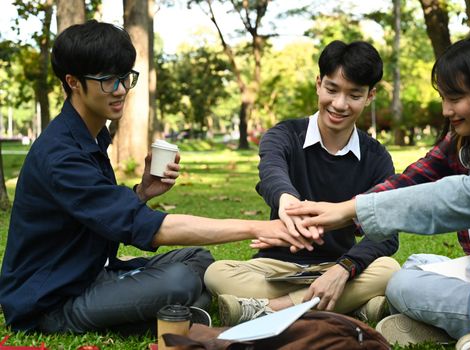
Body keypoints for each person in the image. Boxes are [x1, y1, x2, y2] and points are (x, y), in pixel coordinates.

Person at [0, 20, 308, 334]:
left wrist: (141, 192)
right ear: (74, 82)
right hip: (51, 303)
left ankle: (175, 315)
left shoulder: (90, 136)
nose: (120, 90)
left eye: (124, 78)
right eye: (107, 80)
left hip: (90, 274)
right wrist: (259, 227)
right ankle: (175, 317)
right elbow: (150, 228)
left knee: (198, 259)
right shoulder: (61, 154)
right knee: (180, 280)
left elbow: (99, 212)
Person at [285, 35, 470, 350]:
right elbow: (435, 194)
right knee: (410, 270)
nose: (445, 110)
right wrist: (348, 210)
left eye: (455, 97)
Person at [204, 40, 400, 327]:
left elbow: (386, 233)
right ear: (319, 84)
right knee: (216, 272)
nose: (340, 104)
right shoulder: (284, 135)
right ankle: (348, 307)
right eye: (332, 90)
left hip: (340, 266)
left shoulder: (376, 157)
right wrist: (286, 200)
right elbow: (271, 171)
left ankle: (271, 309)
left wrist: (344, 268)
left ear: (370, 96)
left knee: (390, 270)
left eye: (354, 95)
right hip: (275, 268)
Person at [348, 34, 470, 346]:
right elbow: (411, 185)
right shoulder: (462, 145)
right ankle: (448, 326)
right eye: (443, 97)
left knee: (404, 284)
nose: (445, 110)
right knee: (415, 265)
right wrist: (340, 213)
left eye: (454, 98)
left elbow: (454, 199)